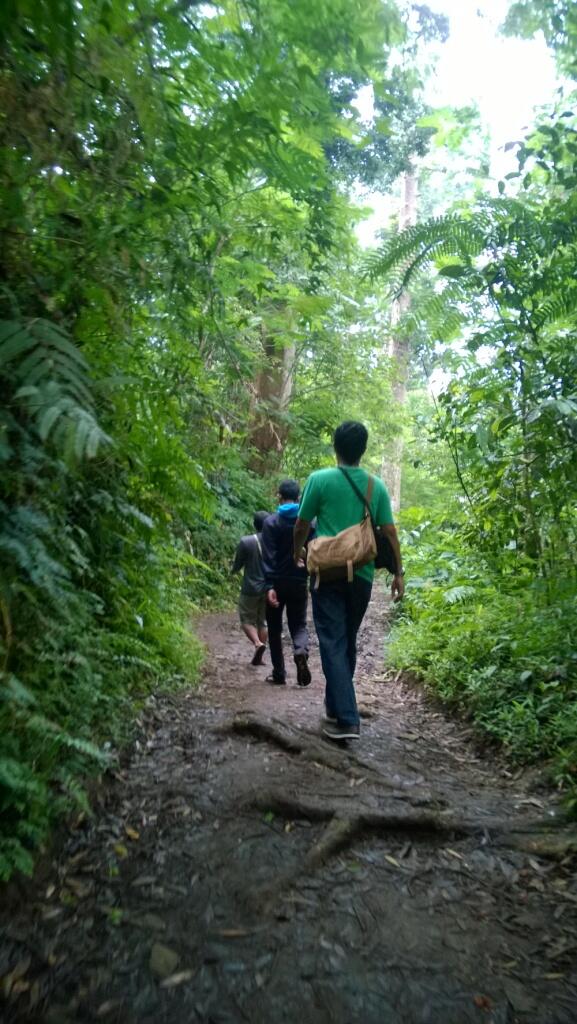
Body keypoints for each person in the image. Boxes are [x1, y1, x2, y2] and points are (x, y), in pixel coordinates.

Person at [294, 421, 404, 740]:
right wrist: (398, 573)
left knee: (332, 640)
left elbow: (302, 524)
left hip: (327, 572)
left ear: (335, 446)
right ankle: (336, 705)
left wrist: (296, 550)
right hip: (362, 576)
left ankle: (347, 718)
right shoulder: (376, 486)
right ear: (363, 449)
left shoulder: (319, 480)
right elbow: (390, 533)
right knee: (345, 640)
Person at [261, 480, 313, 687]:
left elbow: (268, 556)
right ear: (299, 498)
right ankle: (300, 650)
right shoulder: (309, 523)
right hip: (299, 580)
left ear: (279, 496)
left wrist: (268, 586)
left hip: (277, 581)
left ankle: (279, 673)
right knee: (298, 624)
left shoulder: (271, 523)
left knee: (274, 628)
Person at [231, 511, 270, 665]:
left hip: (250, 588)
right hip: (268, 588)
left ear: (254, 525)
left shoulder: (246, 542)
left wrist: (232, 571)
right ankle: (259, 654)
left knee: (247, 620)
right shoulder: (274, 542)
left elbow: (238, 563)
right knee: (263, 621)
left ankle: (257, 643)